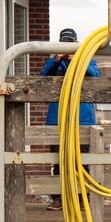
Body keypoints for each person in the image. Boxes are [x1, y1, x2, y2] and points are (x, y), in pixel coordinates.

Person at [41, 28, 99, 211]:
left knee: (82, 160)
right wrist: (55, 60)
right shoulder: (54, 64)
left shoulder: (86, 59)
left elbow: (95, 76)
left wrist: (78, 61)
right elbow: (40, 79)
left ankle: (82, 198)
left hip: (82, 119)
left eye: (70, 43)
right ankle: (58, 198)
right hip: (57, 119)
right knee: (58, 160)